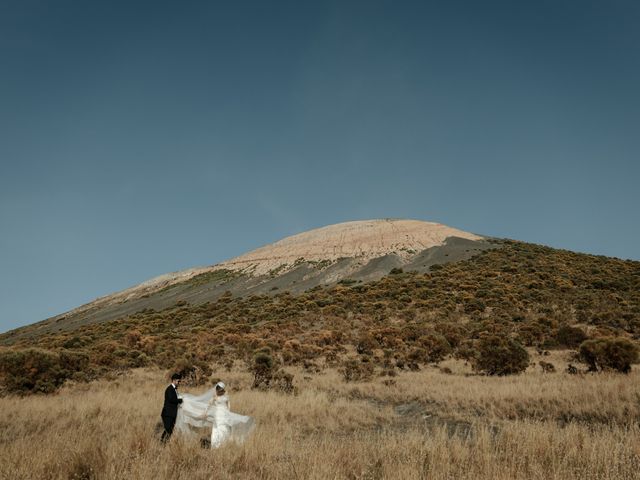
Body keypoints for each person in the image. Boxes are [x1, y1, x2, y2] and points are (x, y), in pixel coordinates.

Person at [174, 381, 255, 448]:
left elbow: (228, 405)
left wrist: (228, 413)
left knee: (225, 427)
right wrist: (205, 413)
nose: (218, 390)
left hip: (225, 414)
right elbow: (209, 405)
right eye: (218, 389)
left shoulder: (226, 396)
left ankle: (224, 444)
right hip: (218, 415)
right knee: (218, 428)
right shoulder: (215, 396)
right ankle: (217, 445)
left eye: (220, 389)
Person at [160, 373, 183, 443]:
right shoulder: (169, 389)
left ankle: (164, 444)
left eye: (179, 381)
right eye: (178, 381)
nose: (179, 383)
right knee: (168, 430)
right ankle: (162, 444)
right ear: (174, 380)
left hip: (172, 413)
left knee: (170, 431)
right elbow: (171, 399)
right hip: (168, 414)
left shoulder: (174, 389)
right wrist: (179, 400)